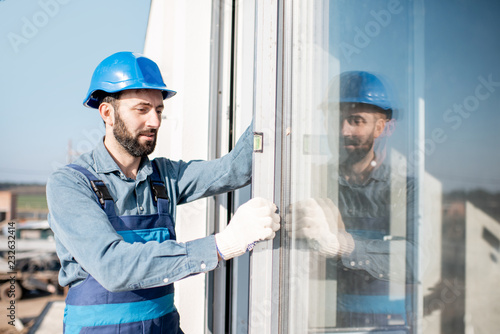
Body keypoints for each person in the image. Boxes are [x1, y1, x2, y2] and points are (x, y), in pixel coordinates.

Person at [46, 51, 280, 334]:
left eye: (158, 111)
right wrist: (221, 245)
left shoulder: (165, 177)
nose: (155, 122)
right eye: (142, 109)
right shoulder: (71, 184)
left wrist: (272, 105)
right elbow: (114, 267)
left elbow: (234, 170)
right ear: (107, 113)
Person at [292, 71, 414, 328]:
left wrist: (345, 246)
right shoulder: (311, 182)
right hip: (324, 324)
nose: (343, 130)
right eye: (335, 119)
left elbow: (416, 261)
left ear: (381, 127)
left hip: (389, 327)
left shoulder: (404, 189)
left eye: (356, 120)